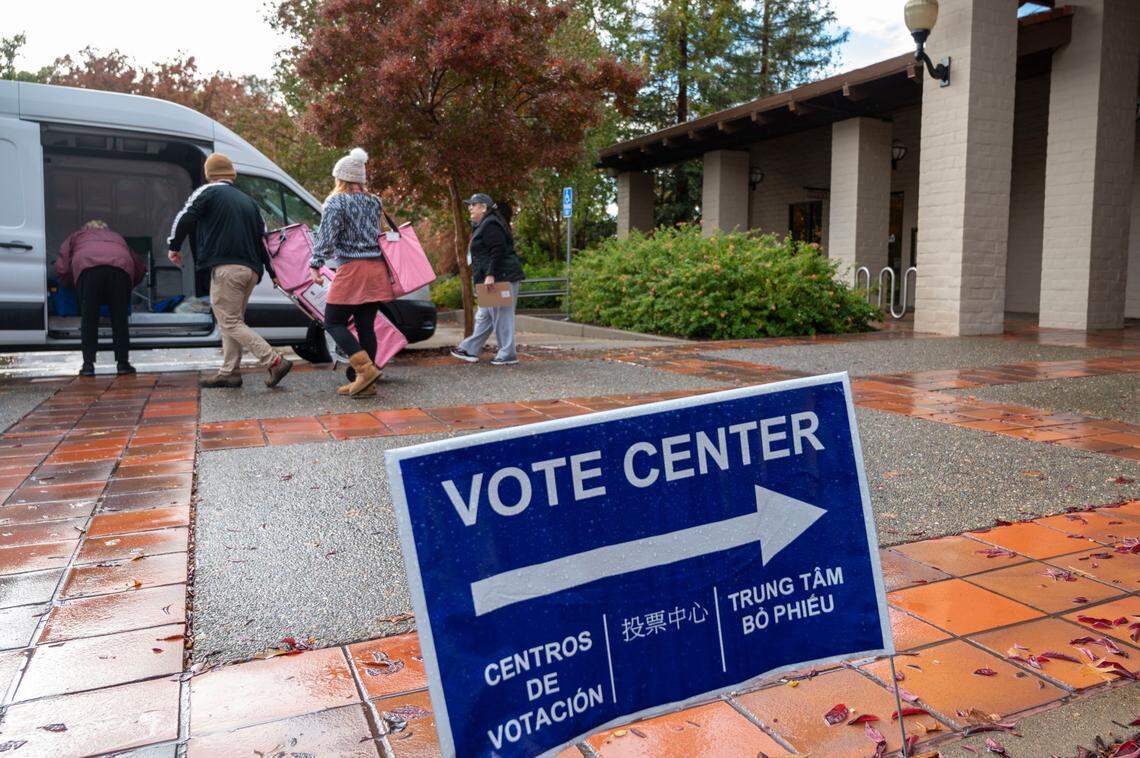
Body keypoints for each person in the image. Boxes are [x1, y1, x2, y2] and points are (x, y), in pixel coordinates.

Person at [167, 153, 293, 389]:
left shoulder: (209, 192)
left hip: (227, 268)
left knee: (230, 321)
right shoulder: (249, 202)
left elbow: (185, 217)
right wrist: (273, 271)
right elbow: (263, 240)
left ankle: (273, 360)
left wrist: (173, 246)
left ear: (209, 175)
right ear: (231, 174)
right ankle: (230, 372)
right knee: (232, 321)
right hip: (251, 271)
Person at [309, 148, 392, 397]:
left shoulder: (336, 201)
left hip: (352, 268)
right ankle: (366, 384)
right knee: (366, 324)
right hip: (376, 268)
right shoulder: (374, 201)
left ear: (340, 178)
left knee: (333, 322)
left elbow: (326, 237)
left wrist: (316, 262)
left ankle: (365, 370)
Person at [55, 220, 145, 377]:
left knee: (89, 319)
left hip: (88, 270)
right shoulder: (116, 236)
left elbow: (62, 266)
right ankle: (123, 364)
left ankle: (88, 365)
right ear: (106, 229)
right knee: (119, 319)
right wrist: (128, 286)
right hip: (120, 270)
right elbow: (139, 265)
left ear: (86, 229)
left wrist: (70, 284)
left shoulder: (77, 236)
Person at [449, 193, 526, 366]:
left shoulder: (491, 224)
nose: (469, 208)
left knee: (502, 316)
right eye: (469, 204)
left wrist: (490, 275)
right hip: (493, 277)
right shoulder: (482, 224)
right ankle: (470, 349)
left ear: (483, 207)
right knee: (485, 316)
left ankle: (508, 354)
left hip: (501, 277)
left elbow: (498, 250)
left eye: (473, 204)